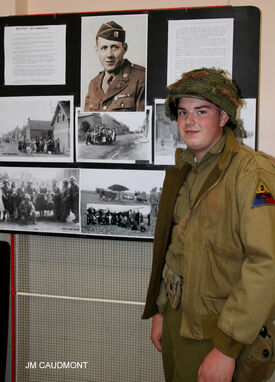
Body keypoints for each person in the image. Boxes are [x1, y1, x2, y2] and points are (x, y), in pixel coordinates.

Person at [142, 68, 275, 382]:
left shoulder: (251, 173)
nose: (189, 122)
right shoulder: (185, 169)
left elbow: (265, 263)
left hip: (221, 331)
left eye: (202, 111)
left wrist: (227, 349)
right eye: (183, 112)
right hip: (180, 319)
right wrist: (162, 310)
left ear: (224, 118)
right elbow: (176, 249)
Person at [84, 20, 145, 112]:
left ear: (124, 49)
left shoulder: (140, 78)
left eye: (115, 47)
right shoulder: (93, 84)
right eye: (104, 48)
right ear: (97, 51)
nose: (109, 54)